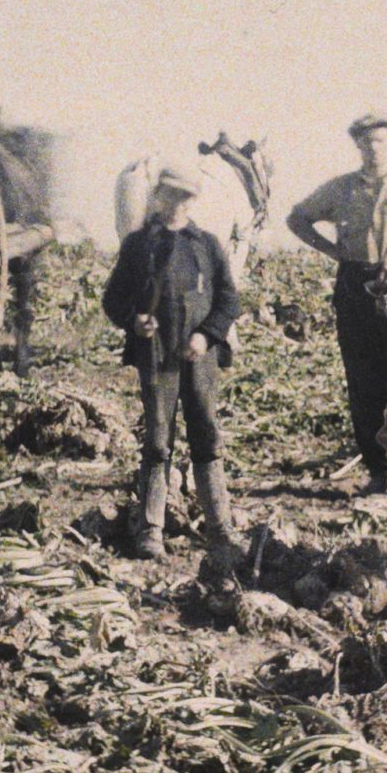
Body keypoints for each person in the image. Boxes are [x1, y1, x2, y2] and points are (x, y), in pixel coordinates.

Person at [287, 112, 387, 502]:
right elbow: (298, 218)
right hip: (355, 287)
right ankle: (378, 475)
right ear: (357, 145)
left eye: (379, 141)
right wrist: (333, 253)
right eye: (365, 142)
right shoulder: (342, 189)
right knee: (364, 385)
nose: (372, 148)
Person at [102, 161, 243, 562]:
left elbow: (229, 300)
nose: (176, 204)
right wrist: (134, 321)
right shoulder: (138, 245)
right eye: (169, 195)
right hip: (156, 354)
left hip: (199, 357)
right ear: (158, 197)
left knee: (206, 432)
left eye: (185, 196)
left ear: (193, 200)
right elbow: (113, 299)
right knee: (158, 438)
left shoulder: (208, 245)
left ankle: (220, 526)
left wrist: (205, 334)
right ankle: (150, 529)